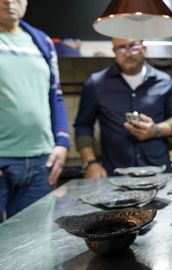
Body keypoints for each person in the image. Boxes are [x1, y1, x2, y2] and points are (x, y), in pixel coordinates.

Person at [0, 0, 70, 221]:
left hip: (42, 163)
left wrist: (62, 143)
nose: (9, 1)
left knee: (33, 246)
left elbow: (56, 96)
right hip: (3, 158)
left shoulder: (43, 42)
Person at [74, 38, 172, 178]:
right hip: (115, 175)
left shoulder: (165, 82)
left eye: (133, 46)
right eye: (121, 48)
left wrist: (155, 130)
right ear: (114, 51)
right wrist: (90, 163)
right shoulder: (95, 84)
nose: (128, 53)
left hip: (159, 173)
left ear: (144, 48)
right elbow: (83, 125)